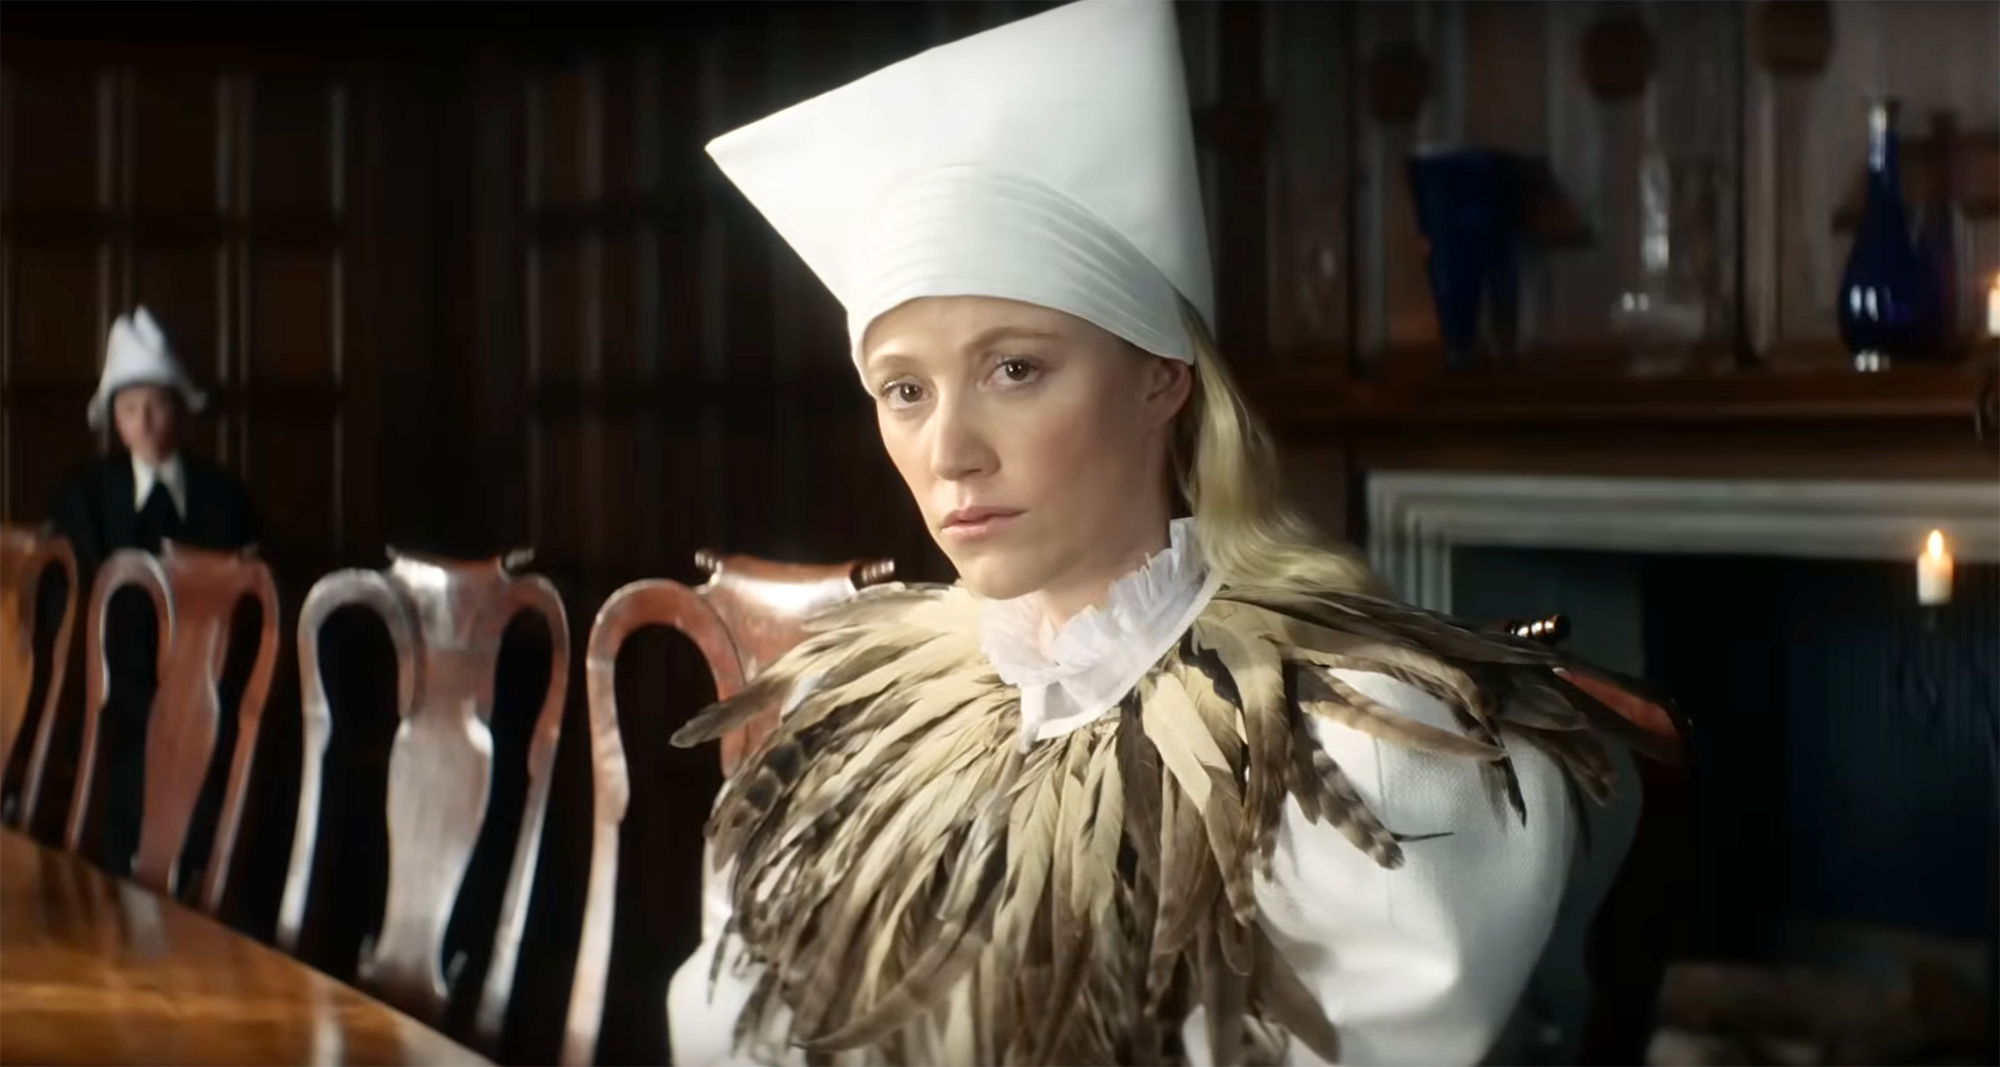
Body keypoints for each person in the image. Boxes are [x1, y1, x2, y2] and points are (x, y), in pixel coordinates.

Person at [666, 2, 1660, 1063]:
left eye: (1015, 368)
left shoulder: (1361, 751)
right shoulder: (842, 725)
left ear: (1160, 379)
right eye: (903, 389)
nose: (950, 451)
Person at [48, 306, 257, 871]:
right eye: (129, 408)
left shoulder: (224, 497)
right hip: (113, 701)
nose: (144, 422)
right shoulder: (86, 496)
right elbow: (66, 605)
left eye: (157, 405)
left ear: (179, 410)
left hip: (210, 696)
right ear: (113, 417)